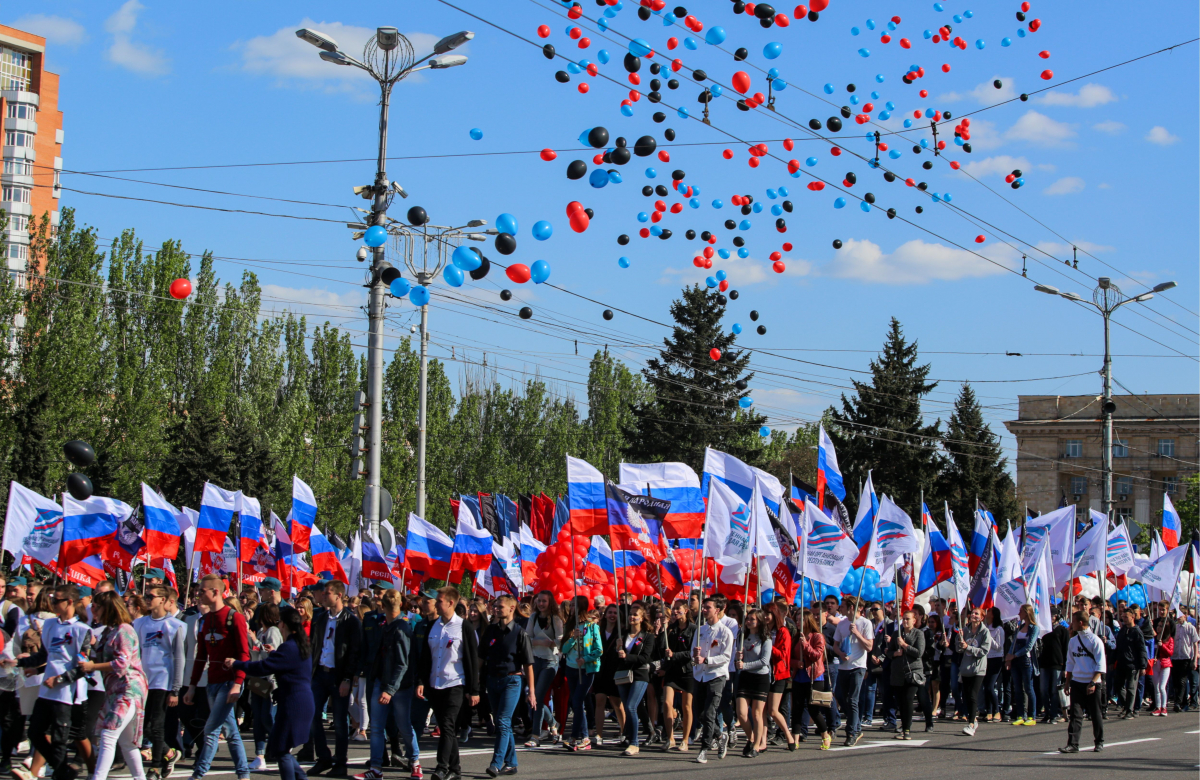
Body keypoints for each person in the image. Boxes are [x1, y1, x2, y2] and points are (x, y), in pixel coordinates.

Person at [14, 583, 93, 780]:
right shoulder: (49, 625)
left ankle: (63, 772)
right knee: (35, 731)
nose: (52, 603)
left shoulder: (82, 629)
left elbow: (83, 666)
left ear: (69, 602)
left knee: (61, 738)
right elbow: (44, 655)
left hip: (67, 692)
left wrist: (60, 679)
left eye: (56, 600)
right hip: (46, 690)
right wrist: (19, 662)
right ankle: (63, 769)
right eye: (52, 599)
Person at [227, 606, 314, 780]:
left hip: (293, 703)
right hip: (299, 700)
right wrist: (274, 653)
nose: (278, 625)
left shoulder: (289, 647)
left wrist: (237, 664)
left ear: (284, 624)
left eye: (279, 622)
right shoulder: (299, 644)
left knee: (280, 749)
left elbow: (263, 667)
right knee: (281, 747)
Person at [183, 573, 251, 780]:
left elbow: (244, 654)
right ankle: (244, 773)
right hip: (211, 682)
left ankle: (198, 774)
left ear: (215, 592)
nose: (198, 595)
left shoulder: (234, 617)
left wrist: (238, 683)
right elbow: (201, 656)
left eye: (202, 591)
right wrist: (193, 686)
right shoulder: (204, 620)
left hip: (228, 682)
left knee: (211, 730)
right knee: (231, 732)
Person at [81, 590, 149, 780]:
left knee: (108, 734)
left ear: (107, 608)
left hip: (128, 690)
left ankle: (98, 778)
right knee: (127, 744)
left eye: (95, 606)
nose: (92, 609)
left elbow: (121, 663)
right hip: (114, 691)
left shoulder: (124, 630)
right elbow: (103, 657)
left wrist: (92, 665)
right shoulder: (108, 631)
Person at [356, 587, 420, 780]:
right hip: (380, 681)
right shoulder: (385, 625)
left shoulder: (401, 628)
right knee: (377, 726)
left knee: (403, 725)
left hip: (398, 686)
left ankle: (415, 761)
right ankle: (376, 768)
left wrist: (390, 689)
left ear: (383, 606)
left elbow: (402, 664)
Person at [416, 587, 480, 780]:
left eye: (439, 601)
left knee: (447, 724)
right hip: (435, 684)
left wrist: (473, 690)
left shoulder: (463, 627)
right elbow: (426, 657)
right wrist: (421, 680)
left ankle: (441, 767)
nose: (436, 604)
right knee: (447, 729)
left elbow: (471, 661)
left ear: (451, 603)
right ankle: (456, 769)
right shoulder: (433, 626)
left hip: (455, 683)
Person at [309, 581, 362, 778]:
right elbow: (315, 646)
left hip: (338, 676)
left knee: (340, 721)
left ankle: (340, 763)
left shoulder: (351, 621)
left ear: (339, 595)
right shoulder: (321, 618)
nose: (324, 595)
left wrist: (347, 678)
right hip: (320, 674)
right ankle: (323, 758)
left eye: (328, 593)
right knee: (313, 716)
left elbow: (354, 651)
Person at [478, 595, 536, 776]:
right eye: (495, 606)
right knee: (504, 725)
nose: (496, 609)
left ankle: (496, 762)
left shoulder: (520, 633)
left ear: (511, 609)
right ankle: (511, 763)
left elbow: (528, 664)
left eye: (500, 606)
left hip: (512, 680)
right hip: (492, 680)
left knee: (502, 721)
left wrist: (531, 692)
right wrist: (474, 680)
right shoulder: (490, 631)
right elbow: (480, 657)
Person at [133, 585, 185, 780]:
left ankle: (155, 767)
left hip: (163, 681)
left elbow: (179, 658)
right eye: (146, 596)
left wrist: (176, 690)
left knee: (156, 726)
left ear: (163, 600)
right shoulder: (139, 624)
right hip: (143, 681)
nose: (147, 599)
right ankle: (169, 753)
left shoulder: (174, 625)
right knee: (143, 727)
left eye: (151, 596)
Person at [691, 597, 733, 764]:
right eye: (704, 607)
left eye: (708, 607)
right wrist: (695, 657)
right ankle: (720, 734)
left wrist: (707, 660)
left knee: (710, 712)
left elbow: (726, 657)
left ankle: (704, 748)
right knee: (699, 713)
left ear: (717, 610)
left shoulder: (725, 632)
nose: (704, 610)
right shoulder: (700, 630)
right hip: (700, 675)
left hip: (716, 675)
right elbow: (693, 654)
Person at [1059, 611, 1106, 754]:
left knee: (1095, 713)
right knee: (1075, 714)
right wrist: (1067, 683)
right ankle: (1073, 744)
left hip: (1092, 683)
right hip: (1077, 682)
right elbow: (1070, 663)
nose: (1071, 624)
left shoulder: (1095, 640)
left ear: (1080, 623)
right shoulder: (1073, 641)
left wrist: (1092, 682)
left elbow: (1101, 665)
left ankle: (1099, 741)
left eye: (1073, 621)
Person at [246, 603, 283, 772]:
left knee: (267, 717)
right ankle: (259, 754)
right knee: (259, 720)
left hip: (269, 680)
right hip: (258, 679)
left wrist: (255, 642)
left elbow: (273, 653)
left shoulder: (273, 632)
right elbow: (255, 653)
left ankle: (281, 743)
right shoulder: (261, 632)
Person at [523, 591, 562, 746]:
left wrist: (551, 643)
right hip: (534, 659)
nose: (541, 604)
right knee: (530, 695)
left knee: (538, 697)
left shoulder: (555, 619)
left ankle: (535, 735)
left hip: (549, 661)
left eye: (544, 601)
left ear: (550, 602)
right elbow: (527, 637)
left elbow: (560, 640)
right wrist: (538, 642)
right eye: (538, 601)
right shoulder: (533, 617)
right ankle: (553, 722)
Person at [560, 605, 601, 752]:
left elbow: (599, 650)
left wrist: (585, 659)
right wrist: (573, 638)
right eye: (571, 606)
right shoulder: (570, 626)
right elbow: (563, 649)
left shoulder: (592, 627)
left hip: (586, 670)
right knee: (576, 703)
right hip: (571, 669)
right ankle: (574, 737)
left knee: (578, 701)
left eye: (575, 606)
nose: (572, 609)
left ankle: (584, 737)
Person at [831, 597, 872, 746]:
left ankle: (851, 733)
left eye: (843, 606)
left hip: (858, 666)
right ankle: (857, 725)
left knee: (853, 699)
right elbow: (836, 644)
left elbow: (869, 646)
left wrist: (857, 633)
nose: (840, 608)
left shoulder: (865, 623)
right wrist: (840, 653)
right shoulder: (841, 624)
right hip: (843, 665)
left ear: (852, 608)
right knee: (841, 696)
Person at [614, 604, 652, 756]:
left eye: (636, 614)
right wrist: (617, 649)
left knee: (631, 706)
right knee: (627, 705)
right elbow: (616, 657)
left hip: (639, 674)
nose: (632, 617)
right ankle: (629, 736)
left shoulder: (647, 636)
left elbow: (645, 658)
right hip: (623, 674)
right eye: (631, 614)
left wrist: (627, 656)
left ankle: (635, 743)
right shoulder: (623, 634)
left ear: (642, 618)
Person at [790, 612, 832, 750]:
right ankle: (795, 739)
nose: (797, 622)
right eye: (796, 620)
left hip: (814, 676)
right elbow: (790, 658)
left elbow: (816, 655)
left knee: (814, 710)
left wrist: (806, 644)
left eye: (800, 620)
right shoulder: (796, 636)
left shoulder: (817, 636)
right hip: (799, 676)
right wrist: (796, 663)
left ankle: (825, 735)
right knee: (797, 709)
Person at [733, 609, 772, 757]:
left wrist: (745, 665)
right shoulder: (742, 635)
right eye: (748, 619)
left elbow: (764, 661)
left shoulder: (765, 639)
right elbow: (738, 656)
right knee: (742, 713)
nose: (749, 622)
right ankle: (751, 737)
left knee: (757, 713)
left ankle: (756, 746)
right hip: (745, 677)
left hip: (760, 678)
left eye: (752, 619)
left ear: (760, 621)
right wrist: (738, 656)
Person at [659, 599, 695, 752]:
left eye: (678, 608)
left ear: (686, 610)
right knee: (667, 703)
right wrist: (662, 629)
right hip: (672, 671)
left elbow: (692, 652)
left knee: (687, 706)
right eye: (673, 609)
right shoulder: (671, 628)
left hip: (687, 671)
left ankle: (685, 740)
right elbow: (662, 649)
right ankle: (670, 737)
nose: (674, 611)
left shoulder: (693, 629)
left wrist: (675, 655)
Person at [888, 610, 927, 740]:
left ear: (914, 621)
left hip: (913, 672)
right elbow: (888, 651)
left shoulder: (918, 634)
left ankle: (907, 729)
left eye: (908, 619)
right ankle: (903, 727)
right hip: (898, 673)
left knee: (908, 699)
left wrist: (904, 645)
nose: (905, 621)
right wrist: (895, 653)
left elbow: (919, 652)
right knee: (901, 702)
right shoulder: (896, 633)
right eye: (903, 619)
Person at [955, 607, 992, 737]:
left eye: (977, 614)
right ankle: (973, 719)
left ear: (982, 617)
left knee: (973, 695)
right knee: (966, 696)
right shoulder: (965, 630)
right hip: (966, 668)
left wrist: (968, 648)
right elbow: (959, 649)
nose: (973, 615)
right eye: (972, 613)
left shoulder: (985, 632)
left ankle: (971, 724)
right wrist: (959, 640)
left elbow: (984, 651)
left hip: (978, 669)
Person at [592, 604, 625, 747]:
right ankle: (598, 734)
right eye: (610, 612)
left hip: (615, 670)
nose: (612, 615)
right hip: (600, 671)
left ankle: (625, 733)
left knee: (617, 703)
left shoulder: (622, 632)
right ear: (605, 615)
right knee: (599, 701)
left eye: (615, 613)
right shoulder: (598, 630)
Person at [1005, 604, 1039, 727]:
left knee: (1028, 688)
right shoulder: (1019, 626)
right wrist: (1009, 657)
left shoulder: (1034, 628)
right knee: (1018, 689)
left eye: (1021, 611)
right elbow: (1013, 643)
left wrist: (1015, 655)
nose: (1019, 613)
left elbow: (1029, 646)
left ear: (1026, 613)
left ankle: (1032, 716)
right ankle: (1020, 715)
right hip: (1015, 660)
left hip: (1026, 660)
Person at [1113, 606, 1148, 718]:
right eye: (1123, 617)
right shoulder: (1123, 630)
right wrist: (1112, 661)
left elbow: (1142, 649)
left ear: (1133, 617)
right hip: (1121, 663)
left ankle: (1130, 710)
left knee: (1131, 688)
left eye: (1126, 617)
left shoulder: (1137, 632)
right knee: (1118, 685)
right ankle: (1125, 705)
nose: (1124, 619)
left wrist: (1143, 666)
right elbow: (1117, 647)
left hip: (1133, 664)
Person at [1171, 614, 1198, 712]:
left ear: (1185, 616)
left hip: (1185, 658)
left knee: (1182, 680)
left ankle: (1179, 703)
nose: (1178, 618)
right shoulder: (1175, 627)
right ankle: (1181, 701)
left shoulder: (1190, 628)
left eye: (1180, 616)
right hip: (1175, 657)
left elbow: (1195, 643)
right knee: (1176, 681)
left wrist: (1194, 659)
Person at [982, 608, 1005, 723]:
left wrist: (988, 636)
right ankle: (989, 711)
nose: (987, 614)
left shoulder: (998, 629)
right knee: (986, 686)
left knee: (990, 686)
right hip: (986, 658)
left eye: (989, 612)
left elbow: (999, 647)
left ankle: (997, 711)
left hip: (996, 659)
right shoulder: (986, 628)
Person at [1151, 615, 1174, 716]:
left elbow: (1170, 653)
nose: (1158, 627)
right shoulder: (1154, 638)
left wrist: (1162, 646)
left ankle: (1164, 707)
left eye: (1161, 626)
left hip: (1165, 664)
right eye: (1158, 625)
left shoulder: (1169, 639)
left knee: (1162, 687)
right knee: (1156, 687)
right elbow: (1151, 650)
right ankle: (1158, 707)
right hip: (1156, 663)